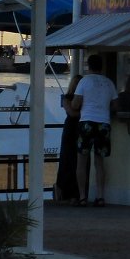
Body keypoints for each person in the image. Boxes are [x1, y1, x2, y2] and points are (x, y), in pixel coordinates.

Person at [73, 53, 118, 207]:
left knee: (81, 161)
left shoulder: (84, 81)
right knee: (99, 162)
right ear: (102, 66)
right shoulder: (109, 83)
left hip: (86, 122)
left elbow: (76, 104)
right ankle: (100, 196)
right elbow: (115, 105)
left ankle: (82, 196)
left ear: (88, 66)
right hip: (104, 124)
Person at [54, 73, 82, 203]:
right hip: (72, 129)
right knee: (68, 159)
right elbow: (71, 112)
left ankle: (71, 192)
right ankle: (66, 191)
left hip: (75, 128)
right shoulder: (67, 97)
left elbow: (72, 112)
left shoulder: (69, 98)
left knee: (74, 160)